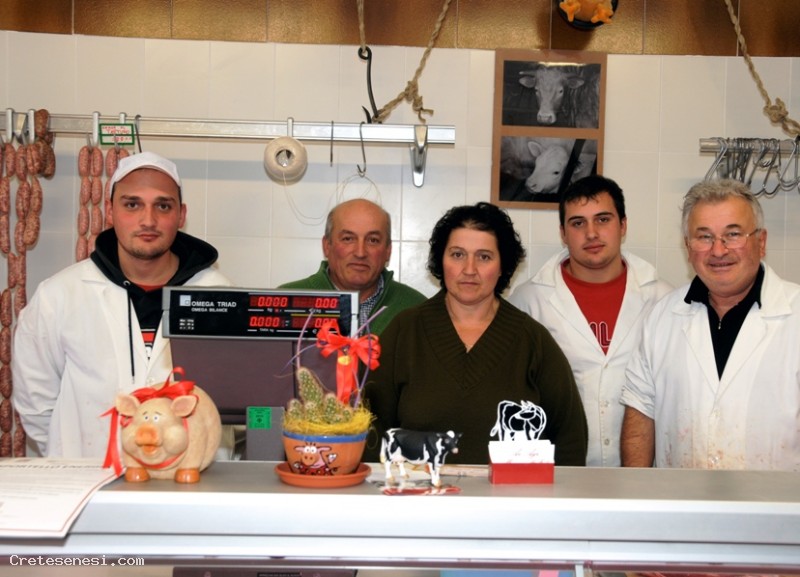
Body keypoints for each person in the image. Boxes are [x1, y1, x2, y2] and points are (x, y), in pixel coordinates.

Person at [12, 151, 232, 458]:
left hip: (187, 478)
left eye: (163, 206)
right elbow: (36, 403)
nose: (148, 220)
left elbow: (230, 397)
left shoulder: (219, 295)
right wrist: (75, 452)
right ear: (110, 211)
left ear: (181, 215)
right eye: (132, 204)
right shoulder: (59, 295)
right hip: (88, 475)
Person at [364, 202, 588, 465]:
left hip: (513, 492)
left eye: (484, 257)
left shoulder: (533, 341)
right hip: (418, 491)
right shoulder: (405, 331)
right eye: (457, 255)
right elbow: (369, 429)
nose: (469, 269)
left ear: (503, 265)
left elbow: (570, 438)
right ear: (441, 260)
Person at [621, 178, 800, 470]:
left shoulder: (795, 315)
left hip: (779, 498)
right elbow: (641, 411)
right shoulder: (662, 317)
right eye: (704, 237)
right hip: (681, 497)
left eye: (733, 234)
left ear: (761, 242)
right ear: (687, 246)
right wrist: (634, 491)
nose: (718, 250)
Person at [509, 175, 671, 467]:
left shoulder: (663, 298)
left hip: (643, 472)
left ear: (623, 225)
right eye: (578, 223)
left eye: (603, 219)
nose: (591, 233)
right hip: (558, 470)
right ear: (563, 233)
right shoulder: (528, 301)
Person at [280, 198, 426, 334]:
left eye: (373, 240)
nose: (360, 253)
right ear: (327, 246)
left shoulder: (417, 309)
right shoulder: (284, 302)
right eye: (348, 239)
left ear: (388, 250)